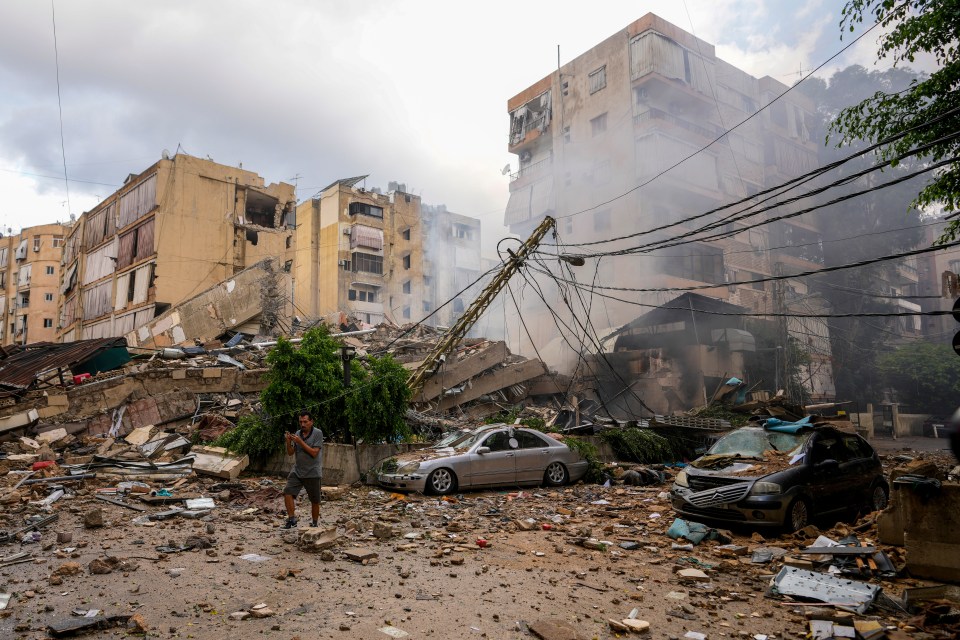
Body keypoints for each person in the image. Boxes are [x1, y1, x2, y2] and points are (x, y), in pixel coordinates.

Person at [283, 410, 324, 528]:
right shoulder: (297, 433)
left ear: (311, 422)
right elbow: (291, 453)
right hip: (298, 470)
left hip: (312, 472)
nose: (303, 424)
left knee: (315, 500)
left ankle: (315, 523)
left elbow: (314, 453)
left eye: (305, 422)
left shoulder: (317, 433)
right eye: (301, 422)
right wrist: (288, 442)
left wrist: (300, 442)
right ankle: (291, 519)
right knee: (287, 492)